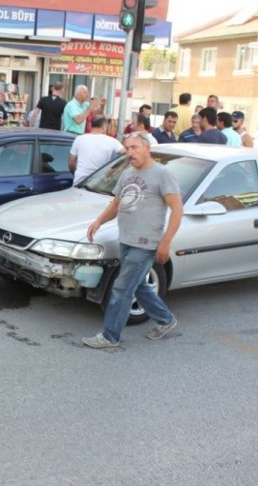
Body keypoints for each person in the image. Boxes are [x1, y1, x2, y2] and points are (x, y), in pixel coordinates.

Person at [82, 132, 182, 348]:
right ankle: (166, 319)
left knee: (121, 288)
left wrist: (165, 242)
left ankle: (110, 336)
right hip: (126, 239)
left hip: (146, 242)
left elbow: (177, 209)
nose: (129, 153)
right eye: (127, 148)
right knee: (137, 286)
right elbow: (116, 205)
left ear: (147, 148)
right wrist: (98, 221)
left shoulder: (162, 174)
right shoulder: (127, 174)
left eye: (134, 148)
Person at [68, 116, 124, 186]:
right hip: (98, 183)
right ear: (104, 126)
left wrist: (75, 172)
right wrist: (113, 169)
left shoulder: (79, 139)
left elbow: (71, 162)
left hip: (79, 180)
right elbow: (126, 154)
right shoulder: (112, 141)